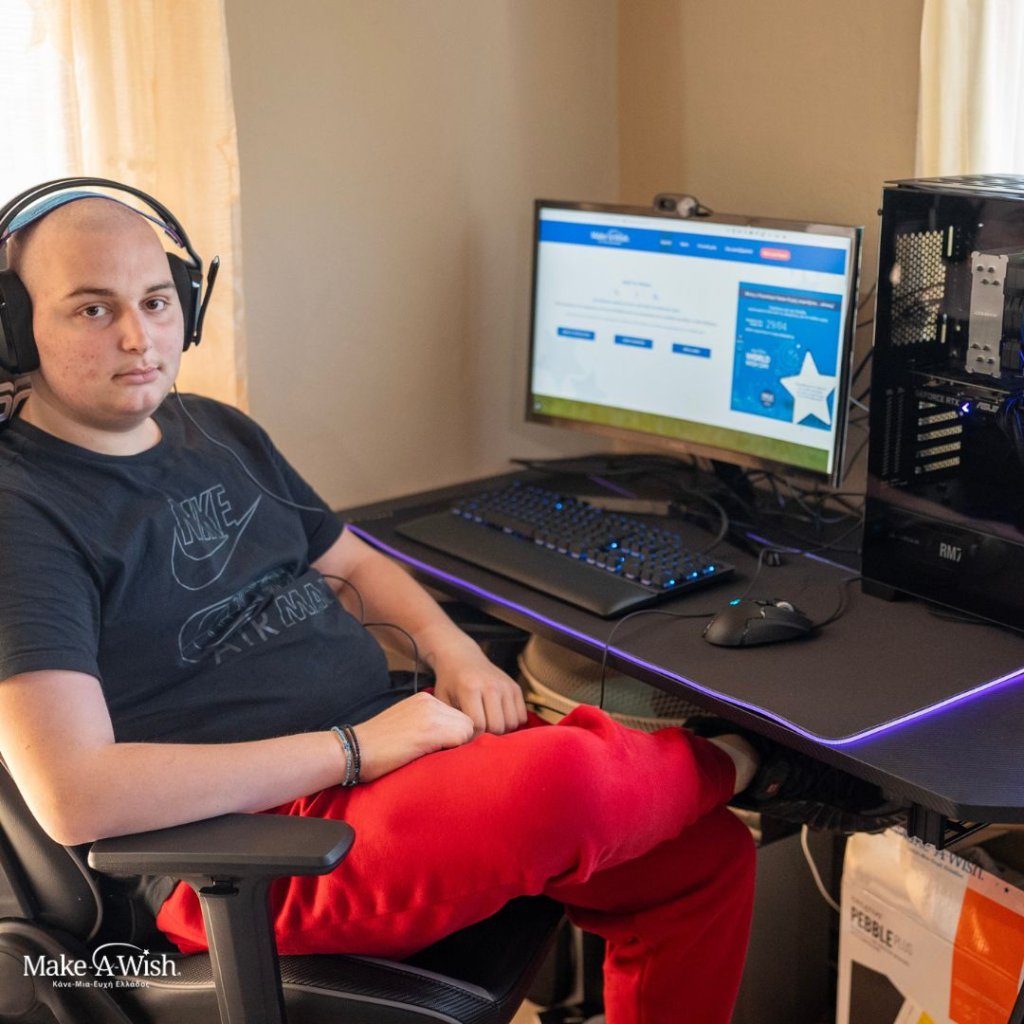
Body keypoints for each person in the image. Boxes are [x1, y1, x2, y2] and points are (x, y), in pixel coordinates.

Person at [0, 187, 892, 1023]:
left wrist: (450, 647)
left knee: (701, 859)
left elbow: (352, 561)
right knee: (569, 784)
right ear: (14, 327)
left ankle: (712, 769)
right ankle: (750, 763)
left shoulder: (213, 428)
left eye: (157, 301)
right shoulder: (21, 512)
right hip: (250, 848)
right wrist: (353, 750)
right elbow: (76, 795)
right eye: (93, 309)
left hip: (390, 752)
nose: (139, 336)